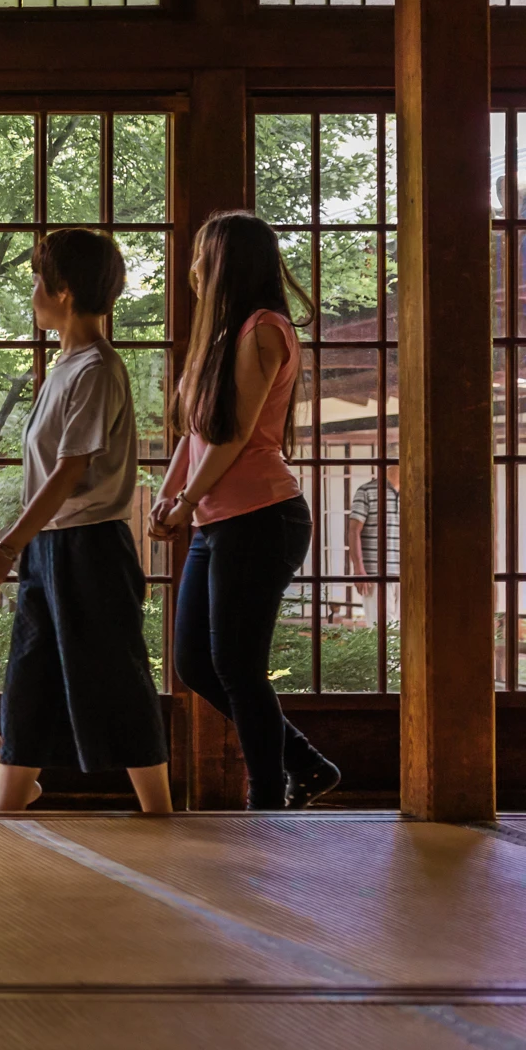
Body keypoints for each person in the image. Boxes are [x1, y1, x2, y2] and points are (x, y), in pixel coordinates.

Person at [0, 229, 170, 815]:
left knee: (116, 674)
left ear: (65, 291)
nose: (32, 293)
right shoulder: (64, 367)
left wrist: (5, 548)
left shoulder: (97, 368)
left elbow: (68, 472)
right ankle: (4, 806)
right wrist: (19, 547)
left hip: (90, 546)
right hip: (52, 547)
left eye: (37, 281)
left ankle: (160, 811)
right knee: (31, 674)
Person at [151, 211, 341, 810]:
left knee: (236, 663)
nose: (195, 269)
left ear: (228, 263)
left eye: (204, 256)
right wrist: (170, 491)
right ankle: (306, 764)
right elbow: (196, 434)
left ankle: (267, 800)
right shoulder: (224, 334)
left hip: (262, 514)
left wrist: (185, 502)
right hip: (217, 518)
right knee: (194, 663)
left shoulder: (263, 329)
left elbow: (233, 436)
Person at [345, 462, 399, 626]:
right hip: (375, 572)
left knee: (405, 632)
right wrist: (359, 569)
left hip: (407, 574)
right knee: (382, 630)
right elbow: (354, 531)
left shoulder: (414, 492)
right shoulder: (367, 491)